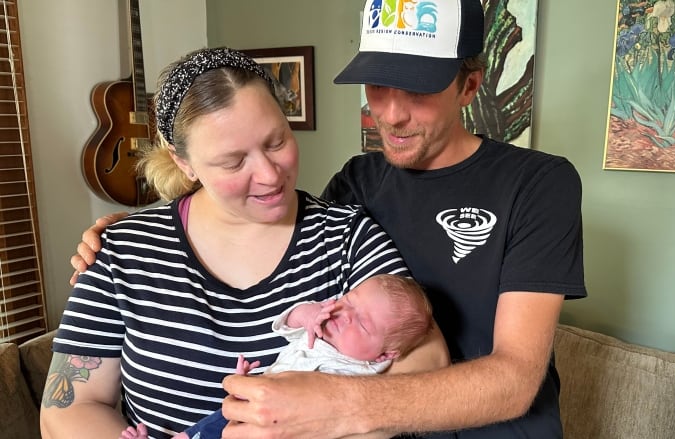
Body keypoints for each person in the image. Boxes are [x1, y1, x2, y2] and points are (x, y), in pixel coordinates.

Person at [71, 0, 588, 437]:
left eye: (420, 90)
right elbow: (266, 218)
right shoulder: (358, 183)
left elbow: (514, 379)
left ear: (471, 85)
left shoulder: (538, 183)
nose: (390, 113)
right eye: (379, 86)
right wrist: (137, 230)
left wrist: (333, 406)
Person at [43, 47, 448, 439]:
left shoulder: (347, 237)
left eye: (276, 142)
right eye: (234, 162)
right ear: (183, 161)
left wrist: (332, 412)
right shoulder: (120, 252)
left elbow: (427, 360)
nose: (270, 175)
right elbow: (68, 407)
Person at [121, 273, 434, 439]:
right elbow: (286, 322)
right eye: (349, 299)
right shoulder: (321, 325)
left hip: (281, 428)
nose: (346, 313)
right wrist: (307, 314)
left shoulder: (366, 374)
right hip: (250, 405)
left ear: (385, 354)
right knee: (206, 427)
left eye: (363, 323)